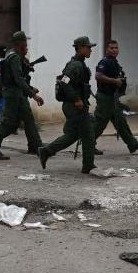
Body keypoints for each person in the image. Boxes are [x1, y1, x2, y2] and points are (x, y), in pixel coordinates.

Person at [39, 36, 97, 174]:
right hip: (74, 106)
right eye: (88, 47)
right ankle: (88, 165)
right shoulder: (75, 65)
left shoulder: (79, 63)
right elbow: (64, 82)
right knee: (88, 134)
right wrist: (77, 99)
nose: (90, 50)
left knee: (73, 134)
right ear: (81, 48)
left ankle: (47, 151)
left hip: (75, 105)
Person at [0, 31, 44, 160]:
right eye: (25, 44)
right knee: (8, 123)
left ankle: (36, 146)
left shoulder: (13, 55)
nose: (27, 47)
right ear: (20, 44)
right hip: (13, 94)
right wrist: (33, 94)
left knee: (28, 119)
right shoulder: (15, 57)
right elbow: (18, 79)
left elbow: (17, 76)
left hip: (17, 93)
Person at [93, 39, 138, 154]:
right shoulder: (104, 62)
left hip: (113, 97)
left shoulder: (114, 62)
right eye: (111, 48)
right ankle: (89, 145)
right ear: (107, 49)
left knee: (120, 121)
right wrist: (114, 81)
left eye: (116, 48)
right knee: (100, 123)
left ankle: (132, 144)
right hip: (105, 98)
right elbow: (98, 76)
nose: (114, 50)